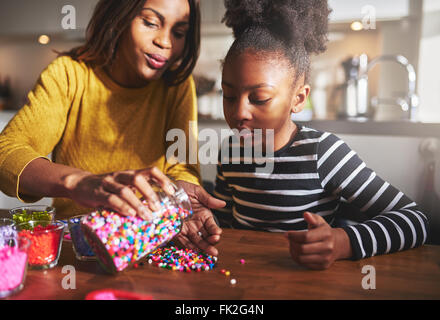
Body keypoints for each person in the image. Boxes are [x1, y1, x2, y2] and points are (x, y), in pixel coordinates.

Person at [213, 0, 429, 269]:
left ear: (299, 98)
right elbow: (225, 225)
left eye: (259, 98)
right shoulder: (230, 152)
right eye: (229, 96)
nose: (239, 111)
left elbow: (414, 219)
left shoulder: (323, 153)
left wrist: (342, 242)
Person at [0, 0, 224, 256]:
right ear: (119, 15)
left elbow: (182, 164)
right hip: (77, 250)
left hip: (146, 245)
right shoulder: (70, 74)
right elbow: (6, 154)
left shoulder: (176, 85)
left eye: (179, 33)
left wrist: (180, 202)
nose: (165, 42)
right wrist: (78, 182)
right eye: (151, 23)